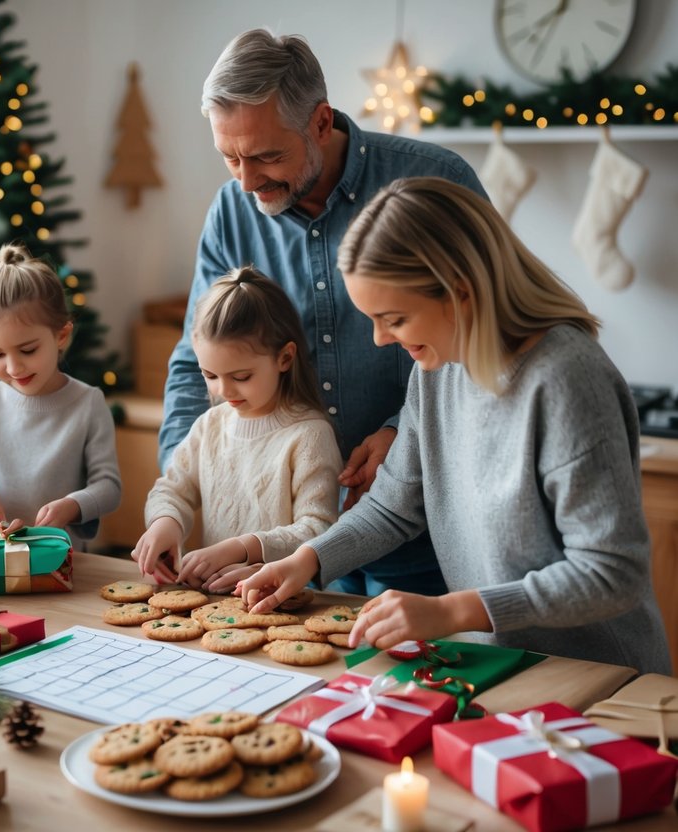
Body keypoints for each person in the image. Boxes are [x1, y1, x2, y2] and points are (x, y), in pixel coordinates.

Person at [239, 177, 670, 674]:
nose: (381, 339)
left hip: (600, 681)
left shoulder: (568, 379)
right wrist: (308, 559)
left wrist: (450, 610)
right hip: (502, 666)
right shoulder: (437, 371)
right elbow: (392, 507)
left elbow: (612, 573)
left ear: (459, 293)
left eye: (394, 318)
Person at [162, 29, 490, 596]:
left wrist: (400, 432)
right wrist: (177, 494)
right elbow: (197, 363)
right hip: (282, 548)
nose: (245, 180)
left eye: (266, 155)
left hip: (429, 533)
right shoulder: (231, 213)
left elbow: (483, 346)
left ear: (320, 122)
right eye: (229, 157)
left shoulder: (436, 183)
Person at [132, 267, 341, 591]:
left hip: (288, 602)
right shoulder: (210, 426)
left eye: (241, 377)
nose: (223, 392)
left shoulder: (310, 436)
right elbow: (171, 489)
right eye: (210, 375)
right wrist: (166, 522)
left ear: (284, 358)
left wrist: (243, 548)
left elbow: (318, 530)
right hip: (216, 600)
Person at [0, 243, 121, 551]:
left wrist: (73, 505)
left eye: (28, 350)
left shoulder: (88, 403)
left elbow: (108, 487)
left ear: (61, 335)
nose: (14, 367)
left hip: (60, 560)